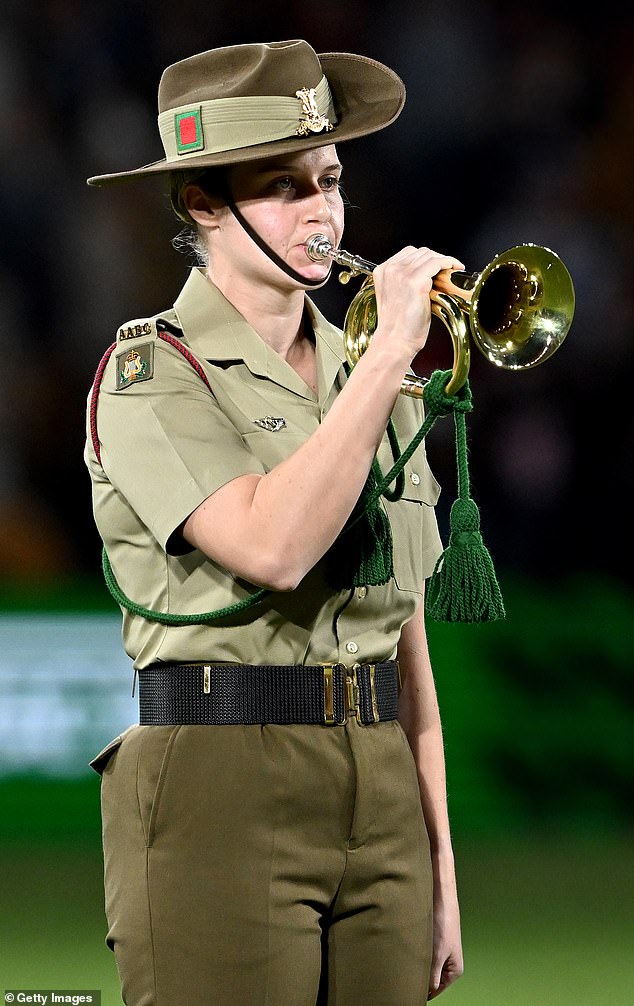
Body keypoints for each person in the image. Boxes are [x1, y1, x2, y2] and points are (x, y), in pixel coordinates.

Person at [85, 39, 464, 1006]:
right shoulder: (150, 375)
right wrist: (384, 371)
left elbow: (402, 631)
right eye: (282, 184)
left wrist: (440, 859)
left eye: (330, 178)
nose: (323, 210)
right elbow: (273, 549)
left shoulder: (369, 373)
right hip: (220, 775)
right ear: (202, 204)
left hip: (379, 783)